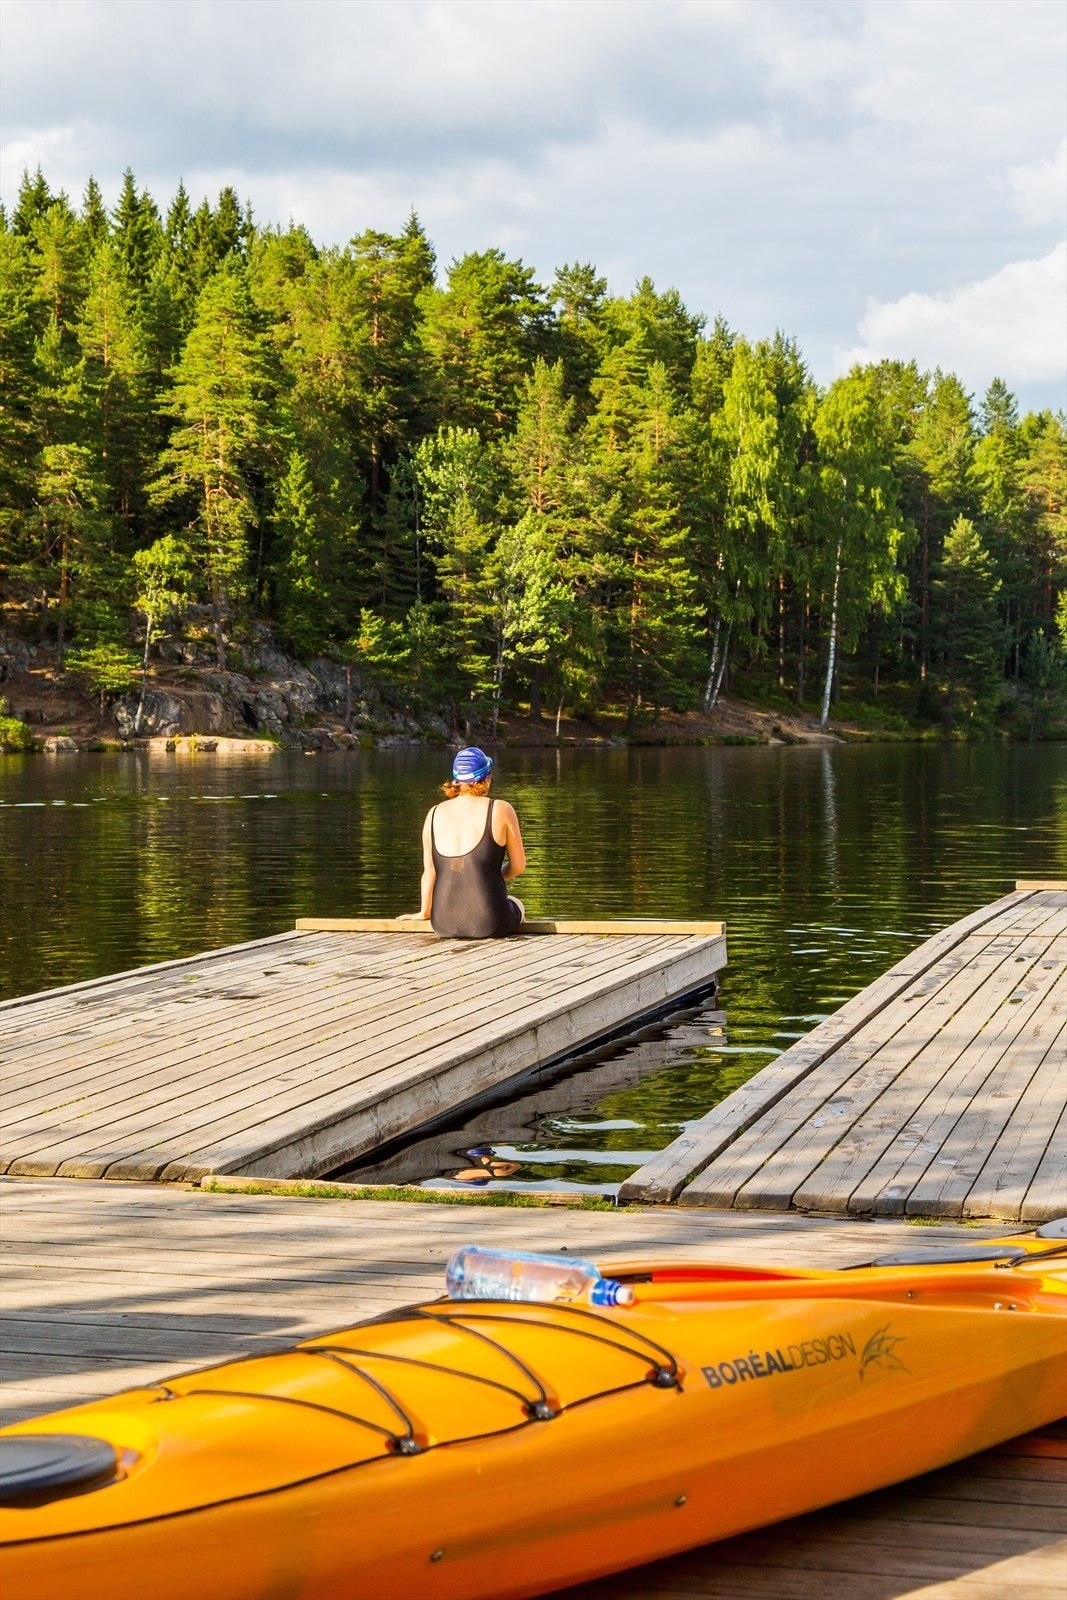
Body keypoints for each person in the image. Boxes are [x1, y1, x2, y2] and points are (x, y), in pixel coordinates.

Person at [398, 747, 527, 938]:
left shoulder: (433, 813)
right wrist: (490, 876)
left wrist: (424, 912)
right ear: (487, 777)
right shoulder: (500, 809)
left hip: (442, 923)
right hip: (489, 923)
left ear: (456, 780)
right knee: (517, 904)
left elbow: (430, 871)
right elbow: (518, 867)